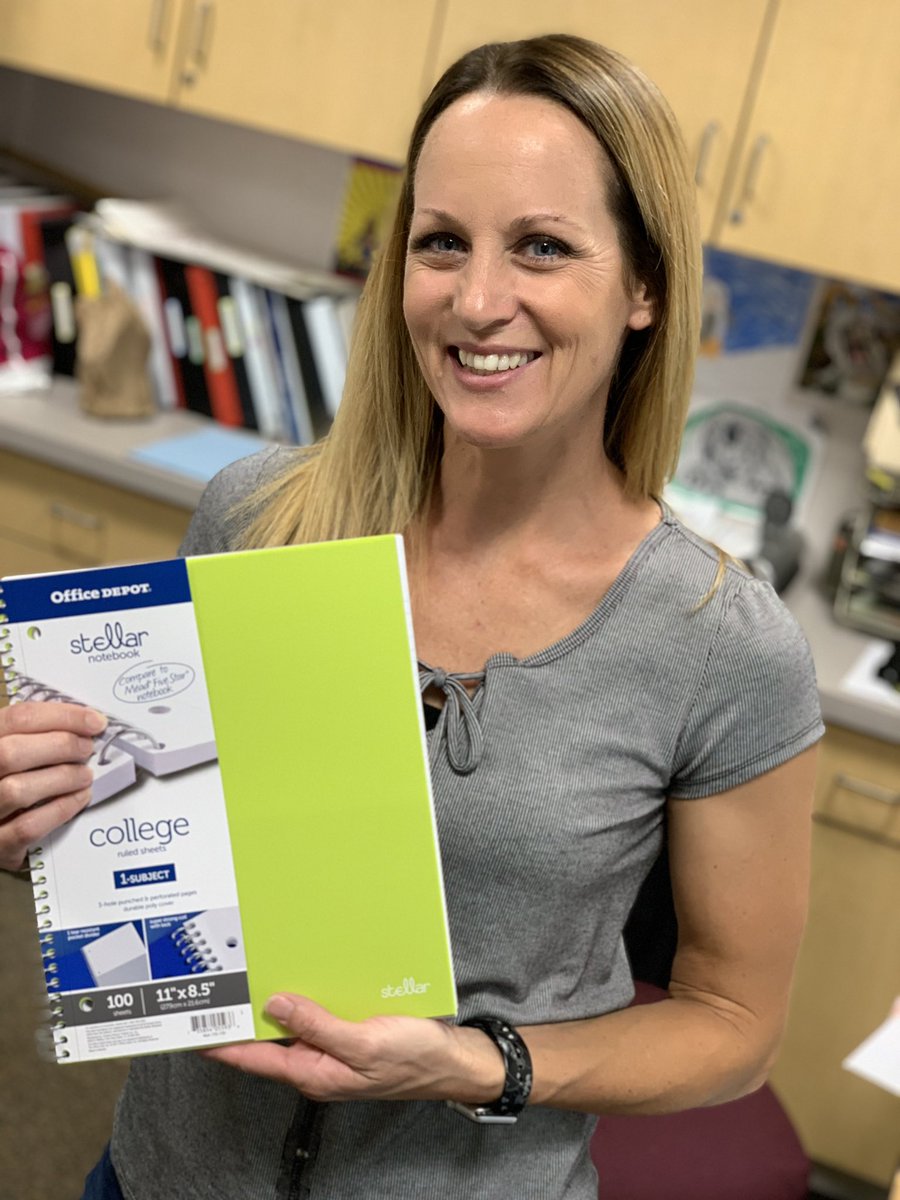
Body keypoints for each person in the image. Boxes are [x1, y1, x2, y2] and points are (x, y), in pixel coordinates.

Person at [0, 34, 823, 1200]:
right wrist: (43, 827)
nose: (478, 302)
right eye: (441, 242)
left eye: (542, 246)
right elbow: (162, 858)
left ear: (645, 287)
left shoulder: (718, 644)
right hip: (160, 1175)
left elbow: (733, 1027)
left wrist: (476, 1065)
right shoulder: (262, 520)